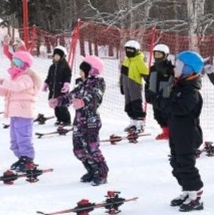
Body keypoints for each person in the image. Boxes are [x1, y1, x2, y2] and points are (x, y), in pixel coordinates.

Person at [49, 55, 109, 186]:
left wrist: (83, 102)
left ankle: (101, 173)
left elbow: (95, 97)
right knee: (79, 150)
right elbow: (70, 96)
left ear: (90, 71)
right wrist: (58, 101)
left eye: (83, 70)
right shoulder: (81, 85)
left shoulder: (98, 83)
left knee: (92, 148)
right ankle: (92, 170)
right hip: (79, 121)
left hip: (91, 121)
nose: (80, 73)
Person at [0, 50, 42, 171]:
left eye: (15, 63)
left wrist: (1, 81)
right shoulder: (15, 78)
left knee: (23, 137)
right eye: (12, 62)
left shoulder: (26, 78)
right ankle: (21, 158)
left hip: (24, 113)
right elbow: (7, 92)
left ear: (22, 64)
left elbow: (17, 87)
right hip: (15, 113)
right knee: (14, 140)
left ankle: (27, 159)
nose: (12, 65)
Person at [162, 51, 206, 212]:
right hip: (177, 132)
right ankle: (187, 190)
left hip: (188, 134)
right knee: (176, 162)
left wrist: (164, 103)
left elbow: (180, 109)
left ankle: (195, 195)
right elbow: (166, 97)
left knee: (186, 164)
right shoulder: (179, 85)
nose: (175, 68)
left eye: (179, 66)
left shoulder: (191, 92)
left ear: (188, 69)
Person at [145, 44, 175, 140]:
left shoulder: (170, 68)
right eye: (156, 54)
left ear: (165, 55)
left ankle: (172, 132)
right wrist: (147, 93)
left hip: (166, 96)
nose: (157, 56)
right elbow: (148, 82)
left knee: (167, 114)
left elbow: (175, 82)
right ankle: (165, 132)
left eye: (159, 54)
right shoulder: (152, 68)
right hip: (154, 95)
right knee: (157, 115)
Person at [120, 39, 149, 132]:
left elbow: (146, 74)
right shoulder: (126, 61)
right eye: (127, 50)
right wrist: (121, 85)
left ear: (136, 50)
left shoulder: (139, 61)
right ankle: (133, 124)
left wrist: (150, 84)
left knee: (136, 105)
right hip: (126, 87)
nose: (129, 52)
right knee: (128, 106)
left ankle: (140, 125)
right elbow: (122, 74)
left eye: (131, 50)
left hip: (135, 87)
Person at [43, 45, 72, 126]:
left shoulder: (65, 66)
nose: (56, 57)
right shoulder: (52, 67)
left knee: (62, 105)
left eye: (58, 55)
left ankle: (66, 120)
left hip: (61, 89)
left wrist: (66, 85)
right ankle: (59, 119)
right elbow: (49, 77)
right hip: (53, 89)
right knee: (55, 105)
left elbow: (68, 76)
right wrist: (46, 84)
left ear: (62, 56)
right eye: (55, 55)